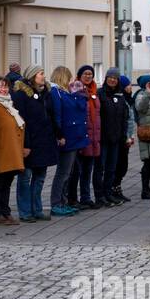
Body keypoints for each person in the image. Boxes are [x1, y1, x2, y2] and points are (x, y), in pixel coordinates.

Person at [11, 65, 58, 222]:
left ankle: (36, 209)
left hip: (44, 141)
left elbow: (51, 116)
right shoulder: (21, 94)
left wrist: (59, 134)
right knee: (25, 177)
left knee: (40, 177)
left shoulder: (46, 93)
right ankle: (25, 211)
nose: (43, 76)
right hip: (30, 141)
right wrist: (25, 144)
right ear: (32, 76)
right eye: (41, 73)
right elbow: (21, 121)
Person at [52, 66, 90, 215]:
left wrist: (79, 95)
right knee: (63, 173)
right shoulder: (57, 93)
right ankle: (56, 203)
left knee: (68, 172)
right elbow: (58, 115)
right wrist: (60, 135)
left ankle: (63, 201)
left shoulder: (65, 93)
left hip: (73, 137)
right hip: (66, 137)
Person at [0, 76, 25, 225]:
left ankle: (5, 210)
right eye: (0, 87)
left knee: (8, 182)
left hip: (12, 149)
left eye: (5, 87)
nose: (3, 89)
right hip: (1, 149)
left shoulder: (9, 103)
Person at [67, 65, 102, 210]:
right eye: (85, 74)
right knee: (77, 170)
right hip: (80, 135)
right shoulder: (75, 88)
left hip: (93, 137)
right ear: (79, 75)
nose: (88, 76)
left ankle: (86, 197)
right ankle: (72, 198)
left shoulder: (94, 91)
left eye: (90, 74)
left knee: (88, 170)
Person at [97, 68, 132, 207]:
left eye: (115, 78)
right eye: (110, 77)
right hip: (103, 138)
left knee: (112, 169)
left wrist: (125, 136)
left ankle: (109, 193)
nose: (112, 80)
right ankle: (100, 196)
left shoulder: (120, 95)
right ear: (106, 78)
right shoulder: (100, 94)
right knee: (101, 168)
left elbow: (124, 118)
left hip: (116, 139)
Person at [111, 76, 137, 203]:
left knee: (123, 166)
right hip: (120, 137)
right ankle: (113, 189)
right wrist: (126, 136)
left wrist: (131, 136)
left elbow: (131, 120)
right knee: (119, 165)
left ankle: (117, 188)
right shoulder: (121, 100)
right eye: (128, 85)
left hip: (126, 137)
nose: (130, 87)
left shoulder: (128, 100)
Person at [134, 75, 150, 200]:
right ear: (147, 84)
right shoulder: (141, 95)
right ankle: (145, 190)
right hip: (147, 134)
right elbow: (140, 108)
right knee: (148, 162)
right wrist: (148, 93)